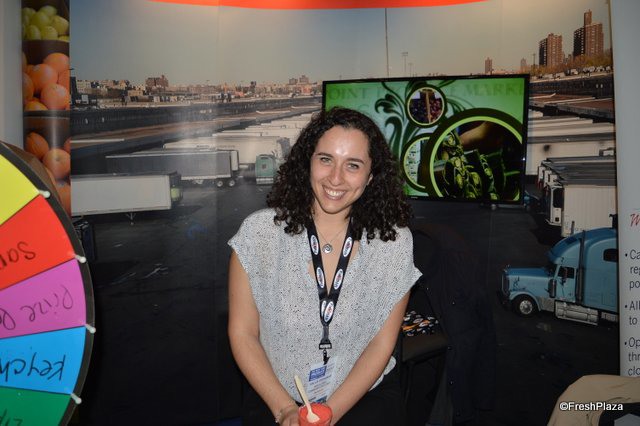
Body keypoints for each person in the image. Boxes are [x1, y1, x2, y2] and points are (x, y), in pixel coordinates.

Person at [228, 107, 422, 425]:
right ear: (308, 162)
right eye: (326, 159)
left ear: (371, 176)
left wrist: (329, 414)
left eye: (353, 165)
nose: (335, 178)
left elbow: (381, 344)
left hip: (362, 396)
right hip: (276, 396)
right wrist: (285, 409)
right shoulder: (259, 235)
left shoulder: (394, 243)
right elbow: (243, 333)